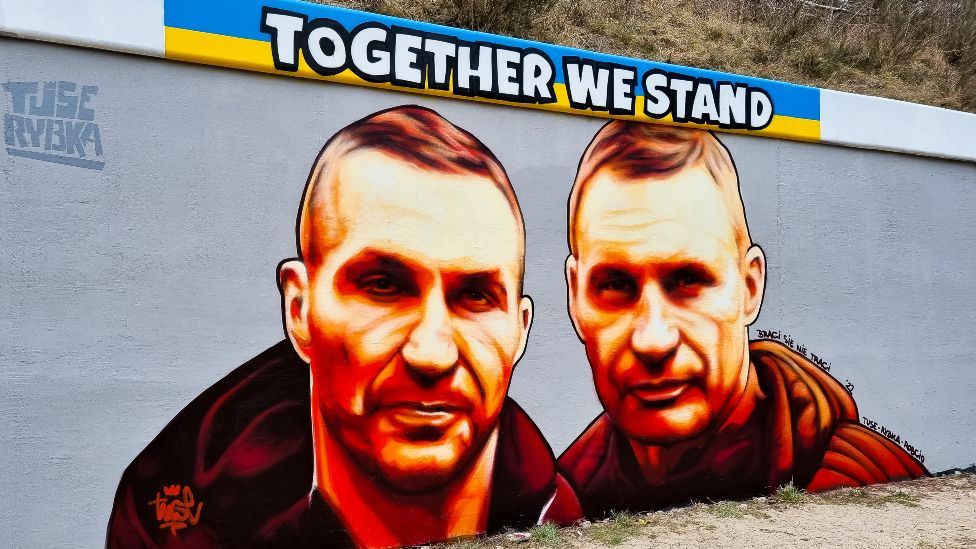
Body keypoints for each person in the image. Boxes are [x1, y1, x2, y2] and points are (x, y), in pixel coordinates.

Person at [106, 105, 581, 549]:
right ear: (300, 310)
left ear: (519, 331)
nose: (432, 353)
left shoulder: (557, 517)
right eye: (382, 286)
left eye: (476, 296)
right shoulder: (175, 518)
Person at [557, 121, 927, 518]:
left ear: (749, 288)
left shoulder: (855, 476)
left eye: (688, 280)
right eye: (615, 285)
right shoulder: (563, 497)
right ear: (575, 299)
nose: (654, 339)